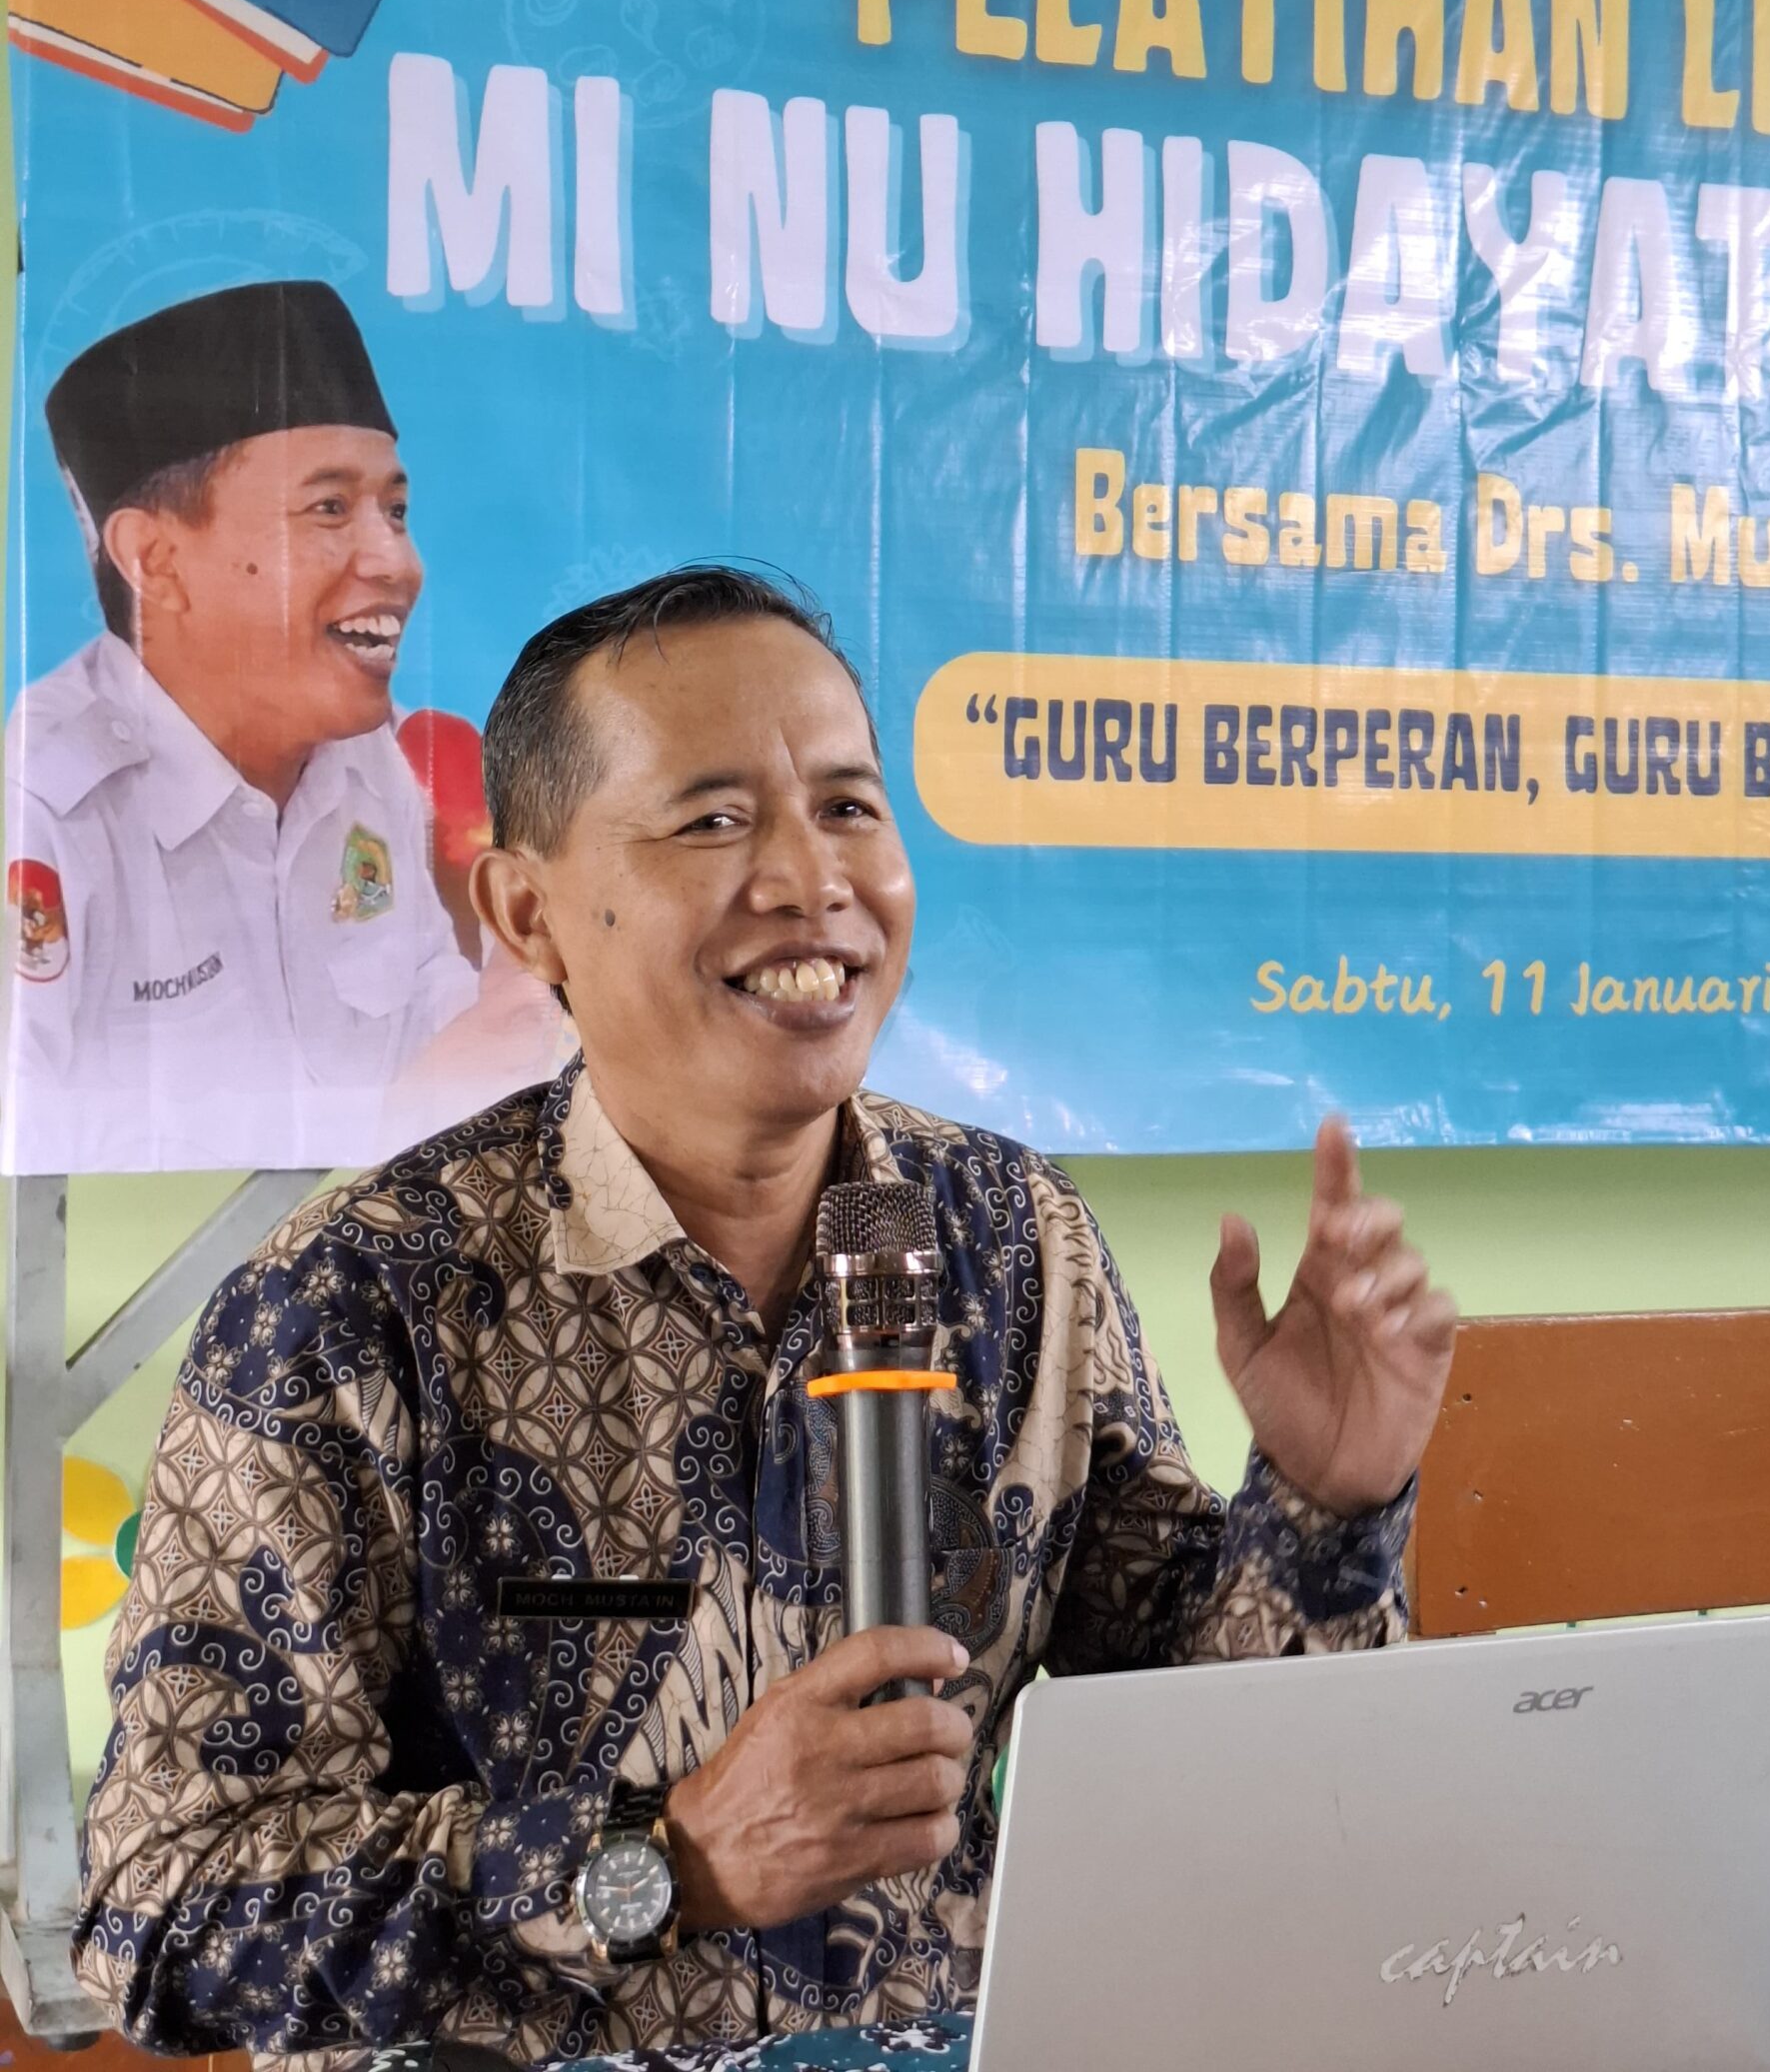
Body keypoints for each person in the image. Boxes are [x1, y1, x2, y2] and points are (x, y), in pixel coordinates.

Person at [73, 566, 1458, 2061]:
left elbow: (1222, 1763)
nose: (812, 877)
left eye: (850, 807)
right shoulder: (349, 1307)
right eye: (714, 821)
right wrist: (664, 1860)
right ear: (529, 913)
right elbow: (161, 1911)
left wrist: (1325, 1503)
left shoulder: (1010, 1236)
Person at [2, 280, 549, 1171]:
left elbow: (430, 1018)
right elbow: (24, 1179)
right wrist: (404, 1122)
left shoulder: (373, 764)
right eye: (328, 509)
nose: (398, 562)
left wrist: (516, 1018)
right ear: (156, 560)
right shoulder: (42, 811)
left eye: (395, 511)